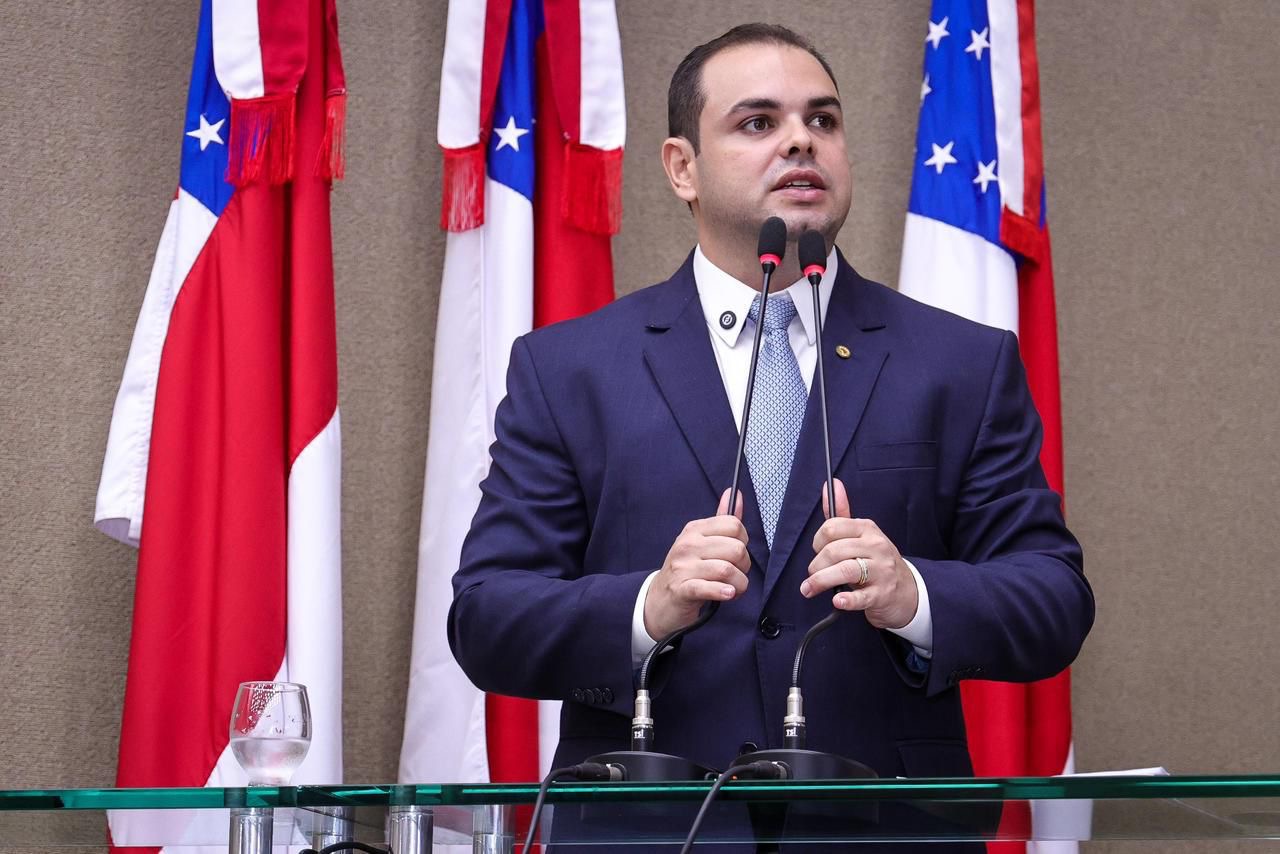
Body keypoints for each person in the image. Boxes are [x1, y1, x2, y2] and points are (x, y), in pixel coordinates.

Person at [448, 23, 1093, 785]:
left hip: (877, 824)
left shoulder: (961, 362)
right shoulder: (570, 369)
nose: (801, 141)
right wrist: (649, 605)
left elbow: (1054, 599)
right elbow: (487, 617)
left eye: (823, 120)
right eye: (758, 122)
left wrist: (913, 593)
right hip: (652, 822)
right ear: (682, 168)